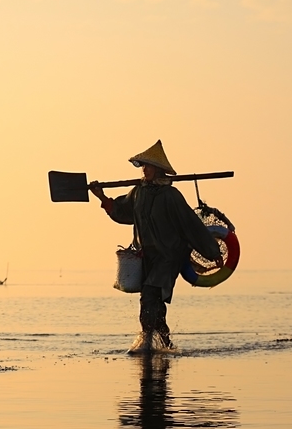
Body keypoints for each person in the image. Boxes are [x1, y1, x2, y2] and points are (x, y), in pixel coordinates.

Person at [91, 140, 223, 353]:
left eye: (149, 166)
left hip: (169, 257)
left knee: (150, 296)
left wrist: (213, 251)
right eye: (143, 166)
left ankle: (148, 343)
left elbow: (191, 225)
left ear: (159, 169)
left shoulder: (171, 196)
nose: (145, 169)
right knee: (154, 303)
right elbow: (123, 211)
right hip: (148, 257)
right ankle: (165, 344)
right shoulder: (139, 192)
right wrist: (102, 197)